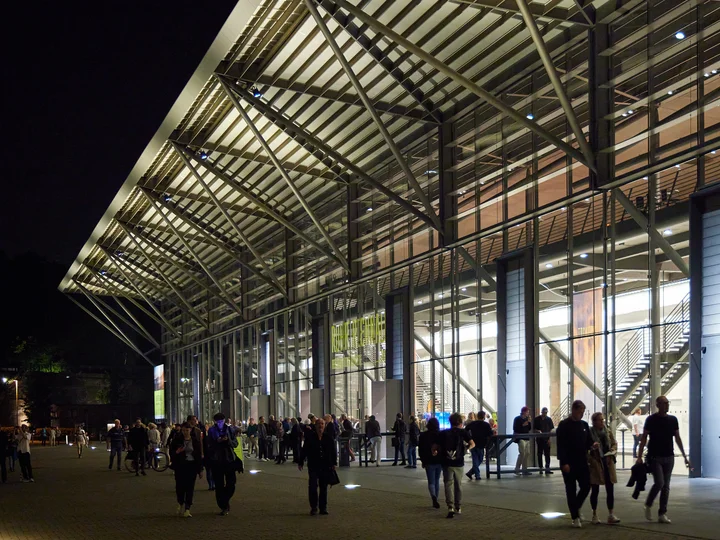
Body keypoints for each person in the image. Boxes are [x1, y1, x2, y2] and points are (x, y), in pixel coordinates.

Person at [636, 395, 690, 524]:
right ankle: (648, 504)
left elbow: (677, 438)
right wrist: (639, 456)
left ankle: (662, 513)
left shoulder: (673, 420)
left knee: (666, 486)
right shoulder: (651, 419)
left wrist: (684, 456)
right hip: (655, 457)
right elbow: (644, 437)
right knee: (659, 483)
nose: (667, 405)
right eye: (664, 403)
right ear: (658, 405)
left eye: (667, 403)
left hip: (669, 456)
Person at [557, 400, 597, 528]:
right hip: (568, 463)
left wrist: (593, 445)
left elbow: (588, 442)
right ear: (573, 410)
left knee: (586, 486)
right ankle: (575, 517)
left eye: (583, 412)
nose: (581, 414)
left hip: (582, 461)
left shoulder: (584, 425)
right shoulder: (563, 425)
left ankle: (576, 507)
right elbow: (561, 445)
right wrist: (564, 462)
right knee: (571, 489)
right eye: (580, 411)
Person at [298, 416, 337, 516]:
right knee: (312, 486)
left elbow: (333, 452)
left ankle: (323, 507)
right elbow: (304, 450)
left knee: (323, 487)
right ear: (315, 426)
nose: (320, 426)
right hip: (313, 465)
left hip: (325, 466)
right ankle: (314, 507)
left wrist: (333, 463)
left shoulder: (329, 438)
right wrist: (301, 461)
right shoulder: (310, 438)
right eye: (319, 424)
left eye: (322, 424)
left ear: (325, 426)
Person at [588, 412, 620, 525]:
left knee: (610, 488)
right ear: (594, 422)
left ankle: (611, 514)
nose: (602, 422)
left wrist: (612, 451)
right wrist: (592, 448)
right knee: (595, 490)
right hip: (596, 464)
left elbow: (614, 443)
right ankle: (594, 514)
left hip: (608, 462)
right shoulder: (590, 433)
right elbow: (586, 449)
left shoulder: (608, 432)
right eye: (600, 420)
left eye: (603, 419)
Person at [441, 413, 474, 518]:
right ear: (460, 422)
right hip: (459, 462)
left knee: (448, 484)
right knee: (458, 485)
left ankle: (450, 506)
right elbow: (473, 444)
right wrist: (466, 449)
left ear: (450, 422)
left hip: (447, 462)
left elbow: (436, 446)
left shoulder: (444, 433)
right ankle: (458, 507)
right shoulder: (463, 432)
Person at [207, 412, 239, 516]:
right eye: (218, 422)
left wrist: (228, 440)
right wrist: (218, 441)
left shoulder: (230, 429)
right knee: (219, 484)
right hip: (217, 461)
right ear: (215, 422)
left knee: (231, 483)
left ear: (224, 420)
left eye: (221, 421)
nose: (220, 423)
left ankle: (225, 500)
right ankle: (224, 506)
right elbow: (209, 444)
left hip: (229, 459)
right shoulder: (212, 430)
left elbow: (235, 443)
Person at [170, 422, 203, 518]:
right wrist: (177, 452)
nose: (185, 432)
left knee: (190, 487)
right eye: (183, 430)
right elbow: (171, 451)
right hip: (180, 466)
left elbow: (198, 456)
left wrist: (200, 469)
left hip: (191, 465)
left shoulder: (195, 441)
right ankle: (180, 502)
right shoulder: (177, 440)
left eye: (187, 430)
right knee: (180, 486)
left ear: (190, 430)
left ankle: (187, 508)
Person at [419, 417, 443, 508]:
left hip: (428, 460)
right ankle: (435, 497)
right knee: (437, 480)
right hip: (439, 460)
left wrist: (422, 460)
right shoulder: (440, 435)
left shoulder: (423, 435)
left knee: (431, 481)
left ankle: (433, 496)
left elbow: (421, 449)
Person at [465, 412, 492, 480]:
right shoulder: (486, 425)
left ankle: (471, 473)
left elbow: (465, 430)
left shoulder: (472, 423)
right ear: (484, 417)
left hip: (473, 443)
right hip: (481, 444)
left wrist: (469, 438)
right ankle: (477, 475)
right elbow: (490, 434)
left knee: (475, 460)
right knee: (479, 459)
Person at [533, 407, 554, 474]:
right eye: (543, 412)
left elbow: (551, 429)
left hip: (546, 439)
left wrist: (549, 439)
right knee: (539, 454)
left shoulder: (549, 419)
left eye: (546, 413)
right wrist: (538, 431)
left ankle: (547, 468)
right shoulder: (537, 419)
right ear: (541, 412)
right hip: (539, 439)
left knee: (547, 454)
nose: (544, 414)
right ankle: (541, 468)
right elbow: (534, 429)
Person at [513, 406, 532, 476]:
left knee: (527, 453)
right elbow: (515, 428)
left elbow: (529, 428)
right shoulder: (517, 419)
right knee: (522, 453)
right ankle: (517, 469)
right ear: (523, 412)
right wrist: (524, 424)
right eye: (527, 412)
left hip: (527, 438)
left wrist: (529, 422)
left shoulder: (527, 419)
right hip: (521, 438)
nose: (528, 413)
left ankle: (524, 469)